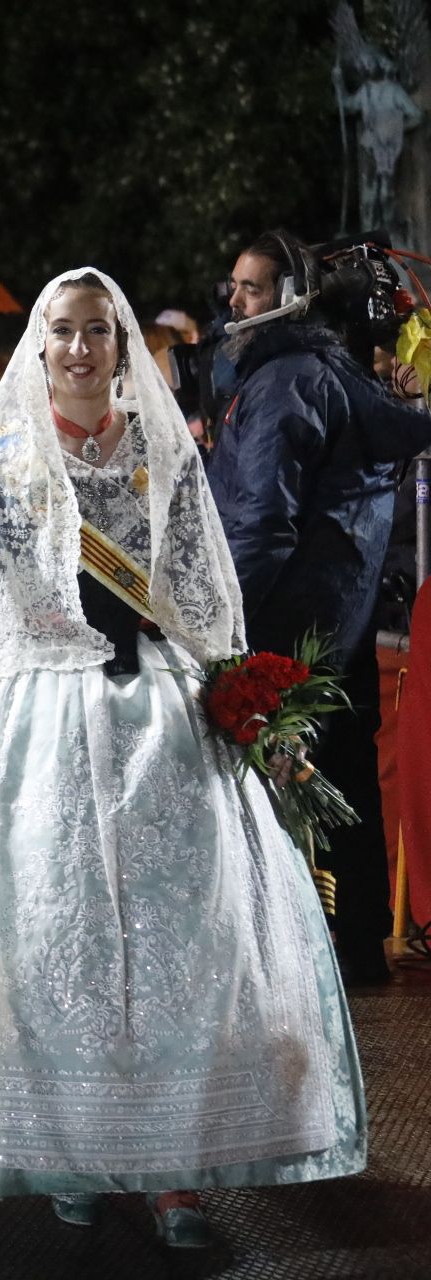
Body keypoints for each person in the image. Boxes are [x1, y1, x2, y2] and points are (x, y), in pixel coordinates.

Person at [0, 269, 366, 1248]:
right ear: (39, 342)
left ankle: (167, 1171)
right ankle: (69, 1151)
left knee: (169, 948)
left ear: (118, 346)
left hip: (157, 723)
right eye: (61, 330)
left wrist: (251, 714)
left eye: (96, 332)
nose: (78, 348)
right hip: (35, 727)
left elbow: (200, 604)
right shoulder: (2, 459)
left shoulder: (164, 453)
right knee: (49, 947)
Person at [205, 231, 431, 985]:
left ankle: (286, 954)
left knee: (277, 782)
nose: (234, 300)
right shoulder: (323, 375)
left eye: (253, 288)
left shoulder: (286, 381)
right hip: (342, 612)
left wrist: (222, 617)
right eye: (233, 285)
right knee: (338, 777)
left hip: (288, 620)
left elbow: (262, 519)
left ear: (293, 298)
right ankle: (355, 944)